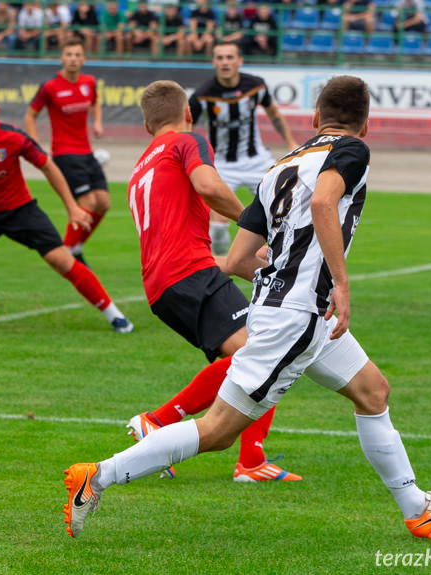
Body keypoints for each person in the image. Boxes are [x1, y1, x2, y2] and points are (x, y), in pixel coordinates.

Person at [63, 77, 431, 540]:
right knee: (218, 432)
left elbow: (237, 259)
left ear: (315, 119)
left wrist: (282, 276)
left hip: (295, 313)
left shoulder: (280, 166)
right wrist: (337, 281)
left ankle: (416, 507)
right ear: (366, 125)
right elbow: (323, 200)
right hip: (297, 316)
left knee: (373, 391)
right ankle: (96, 476)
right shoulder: (353, 150)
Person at [121, 78, 301, 484]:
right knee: (264, 352)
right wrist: (259, 225)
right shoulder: (187, 141)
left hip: (161, 285)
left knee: (250, 356)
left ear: (147, 126)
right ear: (187, 114)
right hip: (190, 272)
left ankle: (237, 453)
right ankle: (178, 430)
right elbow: (208, 186)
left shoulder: (140, 166)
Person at [0, 85, 134, 334]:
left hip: (20, 210)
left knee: (62, 260)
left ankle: (114, 314)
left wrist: (72, 207)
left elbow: (48, 167)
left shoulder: (13, 137)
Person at [189, 41, 297, 255]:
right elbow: (186, 128)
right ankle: (220, 270)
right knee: (218, 226)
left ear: (240, 61)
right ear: (213, 62)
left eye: (229, 57)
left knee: (282, 210)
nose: (225, 62)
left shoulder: (256, 85)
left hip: (257, 161)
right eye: (220, 58)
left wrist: (290, 142)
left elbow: (274, 114)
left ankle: (283, 259)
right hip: (221, 165)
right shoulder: (202, 95)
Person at [25, 38, 109, 267]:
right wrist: (37, 144)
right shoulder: (50, 86)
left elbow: (95, 103)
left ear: (84, 59)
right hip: (64, 153)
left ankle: (77, 247)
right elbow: (30, 115)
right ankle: (66, 253)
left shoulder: (89, 82)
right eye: (69, 54)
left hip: (87, 151)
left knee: (103, 202)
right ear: (61, 58)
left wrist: (98, 123)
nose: (73, 59)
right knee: (88, 202)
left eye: (77, 55)